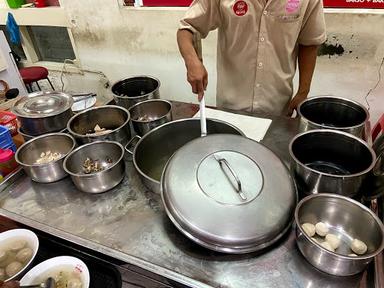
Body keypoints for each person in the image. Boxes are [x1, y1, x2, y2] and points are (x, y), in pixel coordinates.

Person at [177, 0, 326, 116]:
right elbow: (187, 28)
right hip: (230, 107)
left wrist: (302, 92)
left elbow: (309, 43)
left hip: (277, 108)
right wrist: (192, 62)